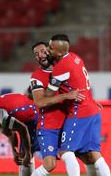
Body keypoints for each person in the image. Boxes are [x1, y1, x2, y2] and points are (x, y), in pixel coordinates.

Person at [42, 34, 111, 176]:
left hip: (79, 112)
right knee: (94, 155)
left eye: (50, 48)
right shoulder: (75, 57)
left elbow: (48, 95)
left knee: (65, 152)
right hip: (93, 110)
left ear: (60, 53)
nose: (47, 50)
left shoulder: (61, 68)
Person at [29, 41, 97, 176]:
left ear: (49, 50)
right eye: (36, 54)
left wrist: (91, 101)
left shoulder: (63, 67)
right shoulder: (36, 77)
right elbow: (40, 102)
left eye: (43, 51)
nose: (40, 56)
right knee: (50, 165)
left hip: (67, 123)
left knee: (88, 158)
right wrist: (66, 96)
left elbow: (80, 87)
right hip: (49, 126)